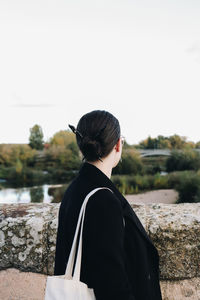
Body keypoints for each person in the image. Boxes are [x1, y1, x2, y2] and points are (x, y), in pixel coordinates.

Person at [54, 110, 163, 300]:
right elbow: (112, 286)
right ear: (118, 144)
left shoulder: (75, 189)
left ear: (81, 147)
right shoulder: (103, 201)